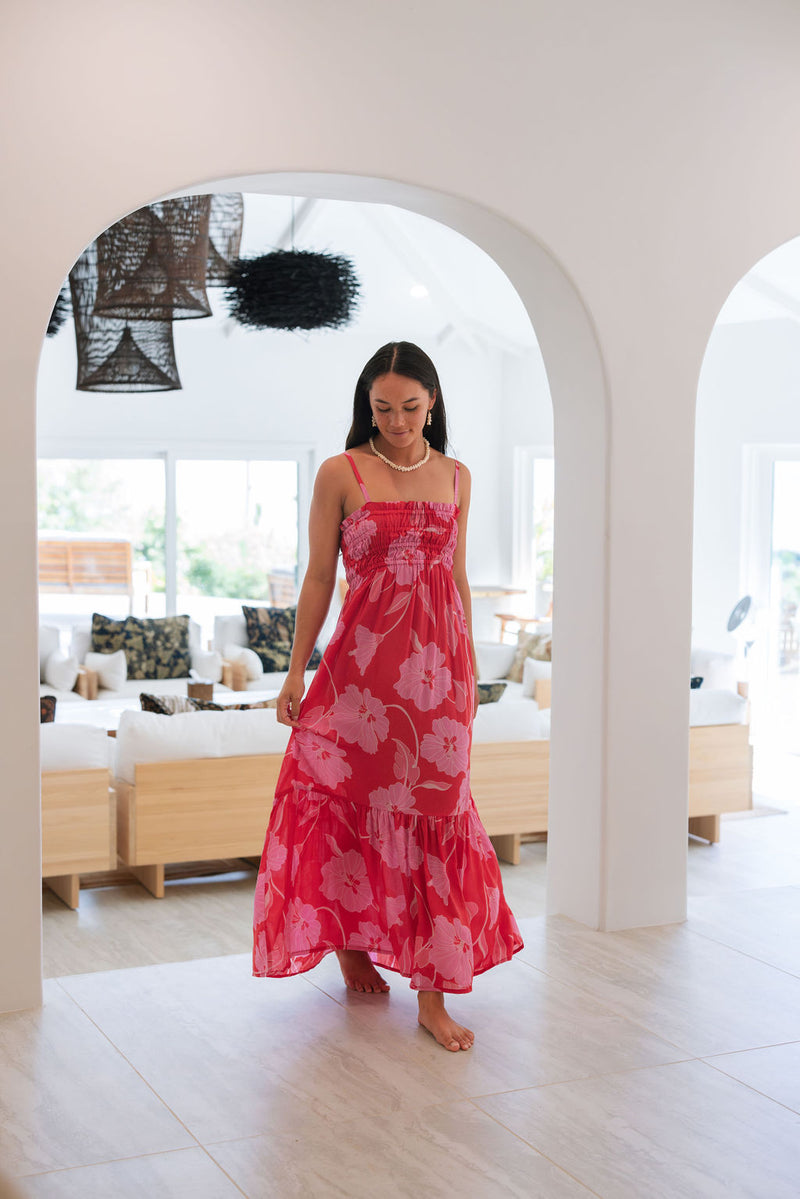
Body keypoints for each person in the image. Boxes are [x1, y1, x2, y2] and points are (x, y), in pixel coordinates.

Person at [253, 341, 523, 1051]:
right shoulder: (342, 472)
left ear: (432, 400)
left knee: (439, 815)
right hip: (362, 677)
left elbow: (457, 580)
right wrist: (294, 672)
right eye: (382, 408)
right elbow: (317, 578)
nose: (397, 420)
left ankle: (433, 997)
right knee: (350, 808)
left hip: (436, 683)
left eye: (410, 406)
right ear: (364, 407)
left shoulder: (458, 475)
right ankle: (350, 941)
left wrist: (467, 668)